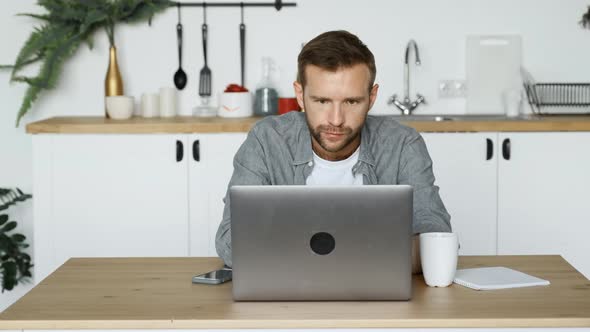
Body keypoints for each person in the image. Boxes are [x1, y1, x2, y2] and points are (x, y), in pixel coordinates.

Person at [215, 30, 452, 272]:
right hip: (289, 303)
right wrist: (369, 252)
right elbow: (230, 242)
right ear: (300, 94)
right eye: (322, 101)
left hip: (374, 303)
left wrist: (308, 253)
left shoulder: (403, 144)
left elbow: (437, 238)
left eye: (351, 102)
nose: (336, 120)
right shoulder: (267, 140)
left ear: (371, 97)